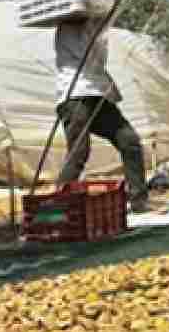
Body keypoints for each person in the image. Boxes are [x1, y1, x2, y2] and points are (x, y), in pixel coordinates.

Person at [55, 17, 149, 213]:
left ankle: (138, 200)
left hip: (98, 92)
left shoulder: (98, 21)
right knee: (79, 152)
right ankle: (59, 207)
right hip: (75, 93)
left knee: (129, 141)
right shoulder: (71, 20)